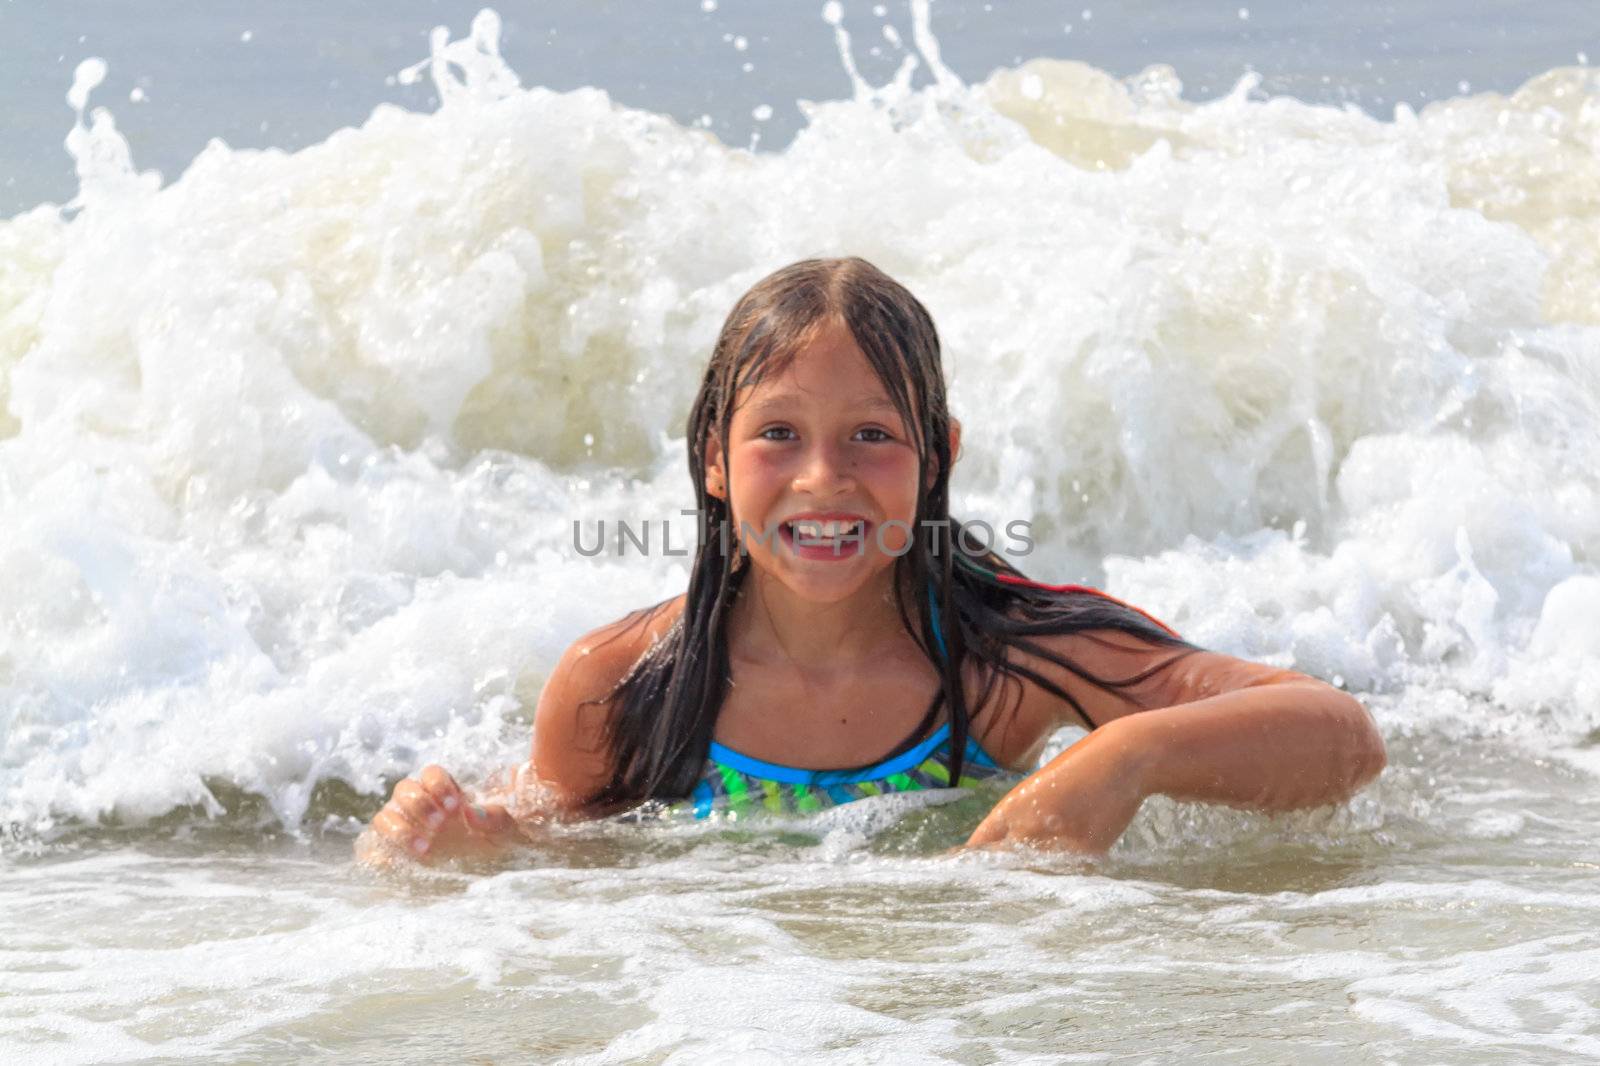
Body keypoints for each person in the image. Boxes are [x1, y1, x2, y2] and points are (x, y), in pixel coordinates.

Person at [357, 257, 1386, 865]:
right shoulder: (623, 687)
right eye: (777, 437)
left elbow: (1340, 735)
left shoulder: (1005, 662)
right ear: (711, 458)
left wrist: (1119, 760)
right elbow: (557, 852)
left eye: (870, 436)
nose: (821, 479)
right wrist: (468, 846)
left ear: (937, 454)